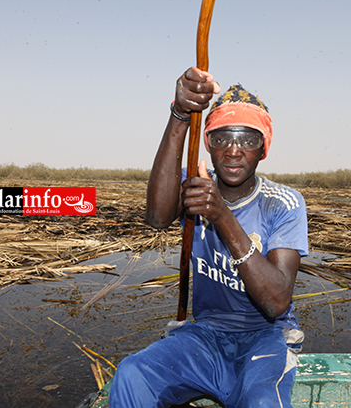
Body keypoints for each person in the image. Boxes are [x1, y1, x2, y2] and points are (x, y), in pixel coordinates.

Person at [109, 67, 309, 407]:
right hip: (206, 335)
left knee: (263, 403)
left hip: (264, 337)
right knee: (132, 374)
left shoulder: (282, 203)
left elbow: (276, 302)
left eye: (248, 139)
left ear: (264, 148)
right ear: (209, 144)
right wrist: (179, 114)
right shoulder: (195, 183)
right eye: (222, 138)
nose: (233, 150)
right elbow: (157, 218)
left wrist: (222, 216)